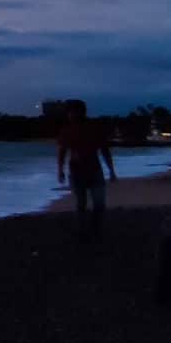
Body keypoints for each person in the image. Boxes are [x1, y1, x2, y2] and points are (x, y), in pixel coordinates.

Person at [56, 100, 116, 241]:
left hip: (94, 169)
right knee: (81, 203)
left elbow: (105, 150)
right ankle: (82, 230)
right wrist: (60, 170)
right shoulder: (66, 131)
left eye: (73, 112)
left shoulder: (94, 128)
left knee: (99, 203)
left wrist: (112, 170)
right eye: (69, 112)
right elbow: (62, 152)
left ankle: (96, 229)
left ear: (81, 112)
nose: (70, 115)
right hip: (76, 171)